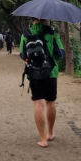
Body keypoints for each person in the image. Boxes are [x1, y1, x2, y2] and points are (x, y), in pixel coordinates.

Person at [19, 18, 64, 148]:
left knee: (38, 104)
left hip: (34, 73)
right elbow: (60, 53)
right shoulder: (51, 33)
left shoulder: (25, 34)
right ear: (45, 19)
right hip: (51, 72)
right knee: (50, 102)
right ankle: (50, 133)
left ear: (32, 19)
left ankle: (43, 139)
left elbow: (23, 55)